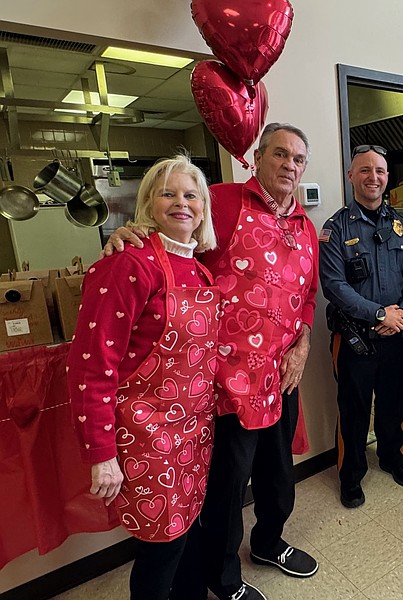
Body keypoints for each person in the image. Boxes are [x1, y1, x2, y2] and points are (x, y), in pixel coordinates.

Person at [104, 123, 319, 600]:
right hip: (222, 381)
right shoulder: (221, 200)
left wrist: (301, 347)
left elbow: (307, 297)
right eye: (279, 154)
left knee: (278, 476)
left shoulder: (306, 227)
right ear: (258, 157)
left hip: (280, 375)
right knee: (225, 492)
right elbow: (174, 230)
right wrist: (131, 233)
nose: (289, 165)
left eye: (298, 159)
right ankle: (222, 580)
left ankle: (268, 542)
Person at [68, 155, 219, 600]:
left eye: (191, 195)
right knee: (162, 548)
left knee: (190, 529)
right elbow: (91, 367)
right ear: (149, 204)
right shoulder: (125, 265)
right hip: (146, 435)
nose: (181, 203)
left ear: (204, 208)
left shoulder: (201, 268)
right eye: (168, 193)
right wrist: (100, 452)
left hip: (194, 431)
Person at [319, 144, 403, 509]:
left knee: (394, 404)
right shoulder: (335, 228)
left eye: (379, 171)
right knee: (354, 409)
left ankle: (393, 456)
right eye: (365, 170)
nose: (373, 177)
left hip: (397, 334)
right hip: (355, 338)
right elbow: (334, 286)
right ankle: (351, 475)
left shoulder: (401, 225)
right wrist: (381, 315)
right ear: (351, 176)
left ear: (387, 178)